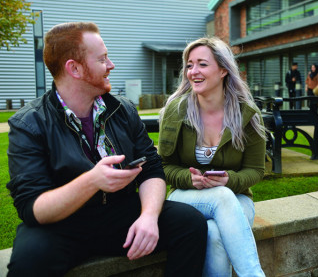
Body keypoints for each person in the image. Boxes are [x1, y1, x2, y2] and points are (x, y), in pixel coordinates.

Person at [6, 22, 207, 277]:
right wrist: (92, 180)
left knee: (190, 224)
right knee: (29, 262)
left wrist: (148, 216)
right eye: (102, 59)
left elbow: (152, 169)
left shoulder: (122, 109)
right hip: (61, 226)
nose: (111, 65)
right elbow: (32, 207)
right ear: (74, 68)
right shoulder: (29, 124)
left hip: (119, 214)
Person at [158, 37, 266, 276]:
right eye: (189, 65)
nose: (193, 71)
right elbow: (163, 167)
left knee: (215, 234)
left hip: (237, 198)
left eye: (202, 64)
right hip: (186, 197)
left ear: (223, 70)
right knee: (221, 197)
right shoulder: (175, 112)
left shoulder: (246, 114)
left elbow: (256, 170)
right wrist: (188, 179)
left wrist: (230, 180)